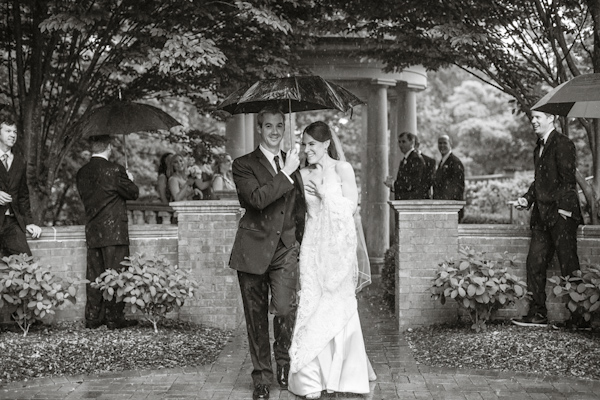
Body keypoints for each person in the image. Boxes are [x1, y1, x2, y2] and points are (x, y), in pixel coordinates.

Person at [288, 121, 373, 399]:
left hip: (337, 249)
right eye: (304, 144)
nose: (307, 149)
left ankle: (344, 374)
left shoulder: (343, 169)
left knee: (336, 301)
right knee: (313, 302)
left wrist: (326, 197)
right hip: (313, 247)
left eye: (312, 143)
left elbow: (351, 207)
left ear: (326, 144)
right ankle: (311, 377)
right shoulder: (301, 174)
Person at [229, 106, 305, 400]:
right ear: (259, 128)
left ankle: (283, 364)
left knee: (286, 309)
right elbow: (257, 200)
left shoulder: (293, 161)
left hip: (285, 249)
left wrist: (302, 240)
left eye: (279, 126)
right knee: (256, 317)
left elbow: (300, 205)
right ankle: (261, 376)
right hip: (253, 250)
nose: (275, 131)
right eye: (269, 126)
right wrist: (285, 173)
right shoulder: (243, 165)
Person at [512, 110, 583, 327]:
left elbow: (568, 181)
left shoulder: (563, 144)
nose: (533, 121)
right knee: (534, 262)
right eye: (532, 118)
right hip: (542, 217)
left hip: (562, 216)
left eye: (537, 117)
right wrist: (527, 199)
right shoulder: (538, 147)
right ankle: (538, 314)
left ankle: (579, 318)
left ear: (551, 118)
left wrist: (563, 210)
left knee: (568, 265)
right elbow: (540, 181)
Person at [76, 135, 140, 330]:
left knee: (95, 275)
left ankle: (93, 317)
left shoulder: (82, 173)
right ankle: (114, 318)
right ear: (109, 148)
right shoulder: (115, 170)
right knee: (116, 274)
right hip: (114, 232)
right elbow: (133, 193)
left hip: (93, 230)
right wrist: (129, 179)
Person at [0, 116, 42, 257]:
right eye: (8, 131)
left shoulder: (19, 161)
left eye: (15, 132)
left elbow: (23, 196)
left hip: (11, 223)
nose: (12, 135)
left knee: (26, 264)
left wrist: (29, 222)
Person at [384, 131, 427, 199]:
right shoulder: (405, 160)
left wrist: (393, 184)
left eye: (404, 142)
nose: (401, 145)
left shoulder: (416, 159)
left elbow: (412, 184)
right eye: (399, 142)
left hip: (411, 201)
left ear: (412, 142)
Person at [433, 135, 465, 221]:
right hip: (442, 206)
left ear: (450, 143)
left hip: (451, 208)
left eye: (444, 143)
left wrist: (447, 205)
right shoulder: (442, 162)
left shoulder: (455, 162)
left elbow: (457, 187)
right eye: (440, 143)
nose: (442, 145)